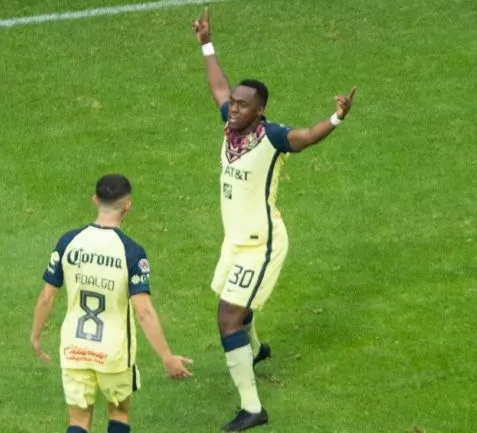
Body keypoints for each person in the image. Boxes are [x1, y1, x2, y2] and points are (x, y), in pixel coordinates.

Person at [191, 7, 357, 432]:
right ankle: (257, 348)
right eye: (235, 104)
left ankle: (252, 409)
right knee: (235, 311)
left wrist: (336, 117)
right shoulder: (231, 128)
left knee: (227, 318)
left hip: (261, 243)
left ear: (260, 110)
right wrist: (207, 43)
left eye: (244, 106)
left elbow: (305, 138)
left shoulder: (272, 137)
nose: (234, 108)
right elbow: (218, 87)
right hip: (235, 241)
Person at [29, 174, 193, 433]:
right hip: (113, 352)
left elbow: (47, 296)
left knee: (78, 420)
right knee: (119, 413)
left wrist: (36, 336)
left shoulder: (68, 242)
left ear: (95, 200)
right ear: (127, 205)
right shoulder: (131, 252)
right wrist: (167, 357)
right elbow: (144, 311)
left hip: (75, 348)